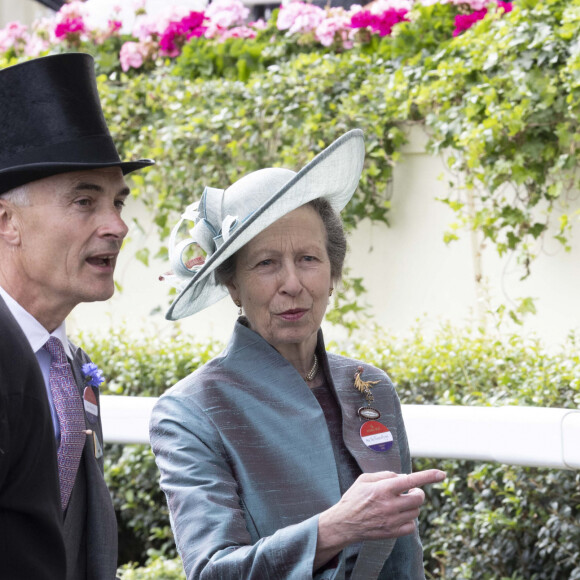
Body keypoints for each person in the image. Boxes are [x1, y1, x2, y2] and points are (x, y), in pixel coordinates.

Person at [150, 129, 445, 579]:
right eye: (266, 263)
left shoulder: (372, 388)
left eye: (309, 259)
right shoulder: (191, 411)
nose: (293, 283)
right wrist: (335, 528)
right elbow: (212, 571)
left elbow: (404, 561)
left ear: (332, 274)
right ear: (232, 285)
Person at [0, 53, 154, 580]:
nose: (116, 226)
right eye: (85, 202)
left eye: (118, 202)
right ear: (6, 221)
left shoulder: (67, 362)